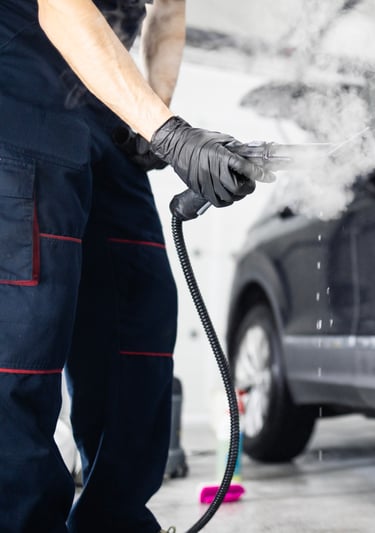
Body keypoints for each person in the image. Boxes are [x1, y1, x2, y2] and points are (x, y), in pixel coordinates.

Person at [0, 0, 262, 531]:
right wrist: (168, 131)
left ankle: (114, 522)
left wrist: (151, 112)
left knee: (136, 321)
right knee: (24, 335)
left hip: (102, 96)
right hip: (17, 82)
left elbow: (168, 10)